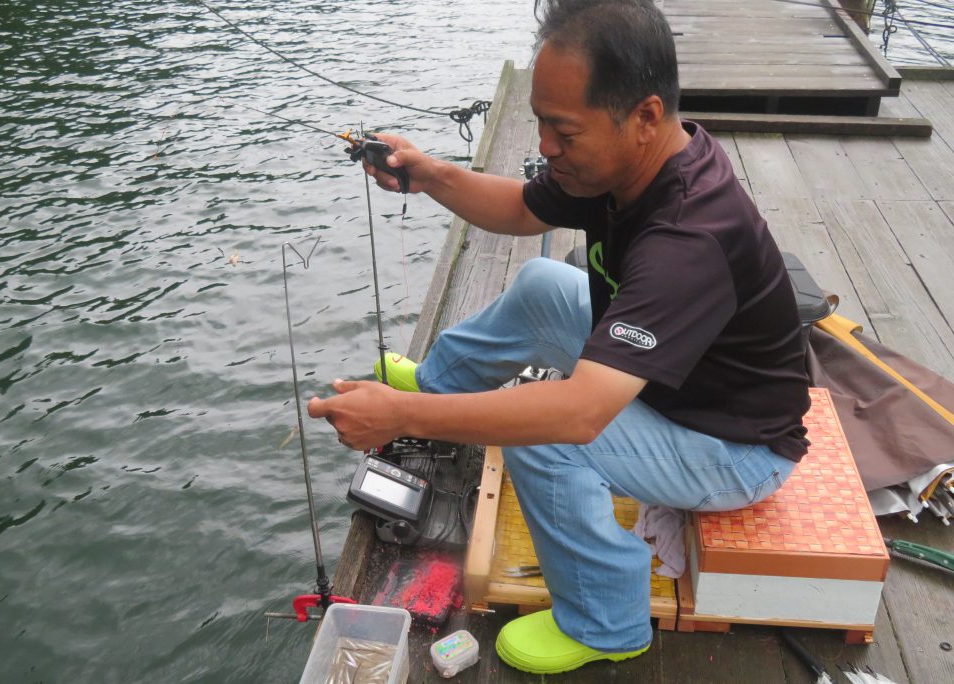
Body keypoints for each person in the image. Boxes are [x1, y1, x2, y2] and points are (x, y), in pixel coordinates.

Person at [309, 0, 810, 675]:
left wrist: (399, 416)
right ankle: (439, 383)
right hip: (678, 381)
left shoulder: (689, 237)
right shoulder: (626, 163)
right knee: (544, 283)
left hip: (735, 446)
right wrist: (430, 175)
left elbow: (577, 415)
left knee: (544, 437)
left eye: (563, 131)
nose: (546, 146)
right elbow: (522, 208)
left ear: (645, 116)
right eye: (542, 123)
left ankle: (607, 622)